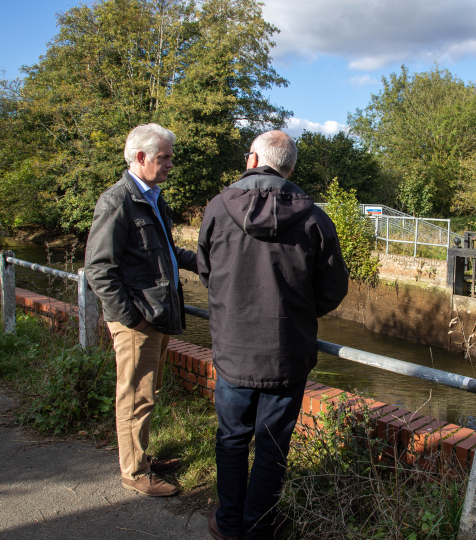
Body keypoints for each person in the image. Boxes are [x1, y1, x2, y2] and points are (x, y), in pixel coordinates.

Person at [197, 130, 349, 539]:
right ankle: (259, 526)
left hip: (233, 349)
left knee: (232, 439)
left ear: (252, 160)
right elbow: (333, 288)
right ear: (290, 168)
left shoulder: (218, 208)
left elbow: (207, 272)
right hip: (286, 351)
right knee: (272, 445)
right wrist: (297, 314)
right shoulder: (315, 218)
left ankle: (229, 523)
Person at [85, 123, 197, 497]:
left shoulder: (152, 198)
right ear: (140, 157)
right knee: (135, 396)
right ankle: (134, 472)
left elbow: (166, 252)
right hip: (139, 319)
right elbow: (98, 269)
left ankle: (141, 458)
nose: (170, 164)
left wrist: (207, 262)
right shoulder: (117, 201)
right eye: (164, 157)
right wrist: (130, 317)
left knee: (148, 390)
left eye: (170, 157)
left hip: (155, 314)